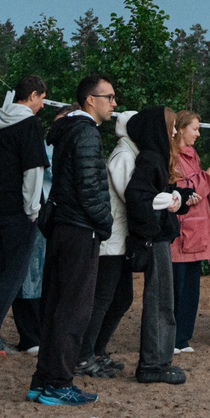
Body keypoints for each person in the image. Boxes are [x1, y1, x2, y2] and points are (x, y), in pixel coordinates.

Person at [26, 74, 116, 408]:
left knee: (55, 305)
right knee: (74, 309)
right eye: (109, 97)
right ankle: (58, 384)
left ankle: (44, 379)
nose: (114, 103)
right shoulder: (86, 132)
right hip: (79, 227)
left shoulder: (67, 130)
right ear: (91, 100)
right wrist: (105, 222)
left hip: (64, 225)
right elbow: (88, 186)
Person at [0, 77, 51, 357]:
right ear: (32, 95)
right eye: (41, 98)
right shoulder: (30, 125)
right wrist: (33, 209)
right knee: (14, 273)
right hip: (17, 209)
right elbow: (33, 171)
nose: (42, 105)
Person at [123, 106, 189, 385]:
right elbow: (137, 197)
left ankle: (159, 360)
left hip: (158, 236)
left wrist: (175, 199)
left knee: (163, 300)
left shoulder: (155, 159)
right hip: (155, 238)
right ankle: (152, 363)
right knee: (160, 301)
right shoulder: (150, 159)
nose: (174, 131)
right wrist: (164, 207)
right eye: (171, 126)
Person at [82, 107, 139, 377]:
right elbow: (130, 195)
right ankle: (85, 354)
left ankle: (96, 349)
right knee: (103, 298)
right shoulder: (124, 155)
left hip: (120, 239)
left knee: (121, 297)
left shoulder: (130, 153)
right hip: (112, 239)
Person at [167, 110, 210, 354]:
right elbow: (183, 192)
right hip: (181, 234)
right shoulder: (171, 157)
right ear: (180, 129)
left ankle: (183, 338)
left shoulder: (194, 156)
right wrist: (206, 176)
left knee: (191, 289)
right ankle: (171, 338)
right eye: (195, 128)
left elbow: (203, 194)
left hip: (198, 231)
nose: (198, 134)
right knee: (177, 288)